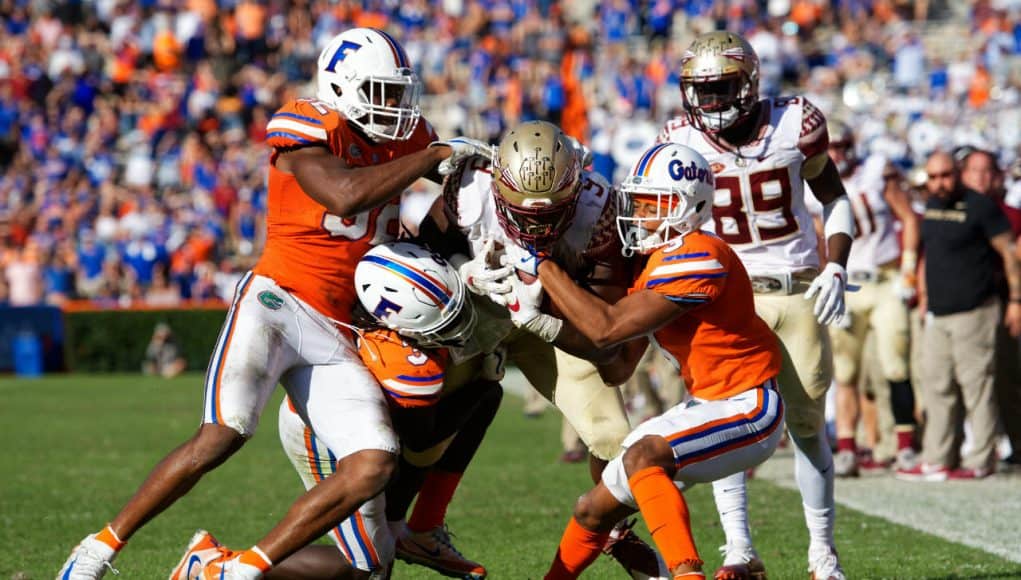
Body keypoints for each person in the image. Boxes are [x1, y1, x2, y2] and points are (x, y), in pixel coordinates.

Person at [58, 27, 490, 580]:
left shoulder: (408, 138)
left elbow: (443, 196)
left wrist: (476, 183)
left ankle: (235, 570)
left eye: (399, 94)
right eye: (381, 93)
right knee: (222, 433)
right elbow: (345, 195)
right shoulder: (307, 123)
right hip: (277, 302)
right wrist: (435, 155)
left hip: (337, 332)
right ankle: (98, 548)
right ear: (340, 86)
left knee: (374, 465)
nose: (395, 108)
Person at [502, 143, 785, 580]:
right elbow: (616, 365)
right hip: (709, 404)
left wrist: (543, 267)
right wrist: (545, 322)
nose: (642, 213)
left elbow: (607, 328)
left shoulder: (702, 253)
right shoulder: (653, 264)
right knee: (593, 509)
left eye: (656, 203)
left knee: (644, 456)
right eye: (640, 201)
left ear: (692, 208)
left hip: (749, 405)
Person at [421, 120, 667, 577]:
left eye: (551, 211)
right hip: (475, 315)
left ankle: (612, 529)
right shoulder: (471, 186)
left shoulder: (599, 212)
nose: (536, 223)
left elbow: (604, 332)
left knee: (613, 438)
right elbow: (427, 245)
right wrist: (463, 270)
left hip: (554, 328)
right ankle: (408, 524)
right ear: (498, 184)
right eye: (523, 211)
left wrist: (542, 310)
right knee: (422, 405)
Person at [171, 241, 498, 579]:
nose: (455, 325)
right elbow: (421, 440)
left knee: (375, 557)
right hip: (325, 437)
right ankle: (213, 566)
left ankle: (406, 530)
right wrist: (483, 383)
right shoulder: (406, 362)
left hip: (347, 424)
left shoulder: (374, 301)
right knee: (368, 569)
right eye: (441, 321)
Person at [656, 31, 852, 579]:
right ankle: (739, 550)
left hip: (794, 286)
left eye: (722, 88)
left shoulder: (795, 124)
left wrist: (836, 263)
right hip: (726, 294)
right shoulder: (679, 139)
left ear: (749, 83)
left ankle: (822, 553)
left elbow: (834, 198)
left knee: (809, 421)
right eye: (701, 89)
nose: (711, 101)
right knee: (724, 417)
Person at [896, 150, 1021, 481]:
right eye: (933, 177)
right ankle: (938, 457)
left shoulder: (981, 207)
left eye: (946, 175)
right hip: (939, 311)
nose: (939, 183)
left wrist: (1016, 300)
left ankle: (981, 459)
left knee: (976, 386)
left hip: (975, 310)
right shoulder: (932, 206)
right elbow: (929, 255)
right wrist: (923, 294)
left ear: (958, 174)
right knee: (937, 385)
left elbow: (1009, 254)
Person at [818, 121, 920, 477]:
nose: (837, 154)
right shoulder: (809, 183)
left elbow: (907, 217)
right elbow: (818, 240)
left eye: (842, 145)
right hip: (846, 285)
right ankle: (847, 449)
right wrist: (827, 283)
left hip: (884, 280)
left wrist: (907, 268)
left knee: (896, 365)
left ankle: (905, 448)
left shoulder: (876, 170)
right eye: (830, 147)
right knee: (845, 373)